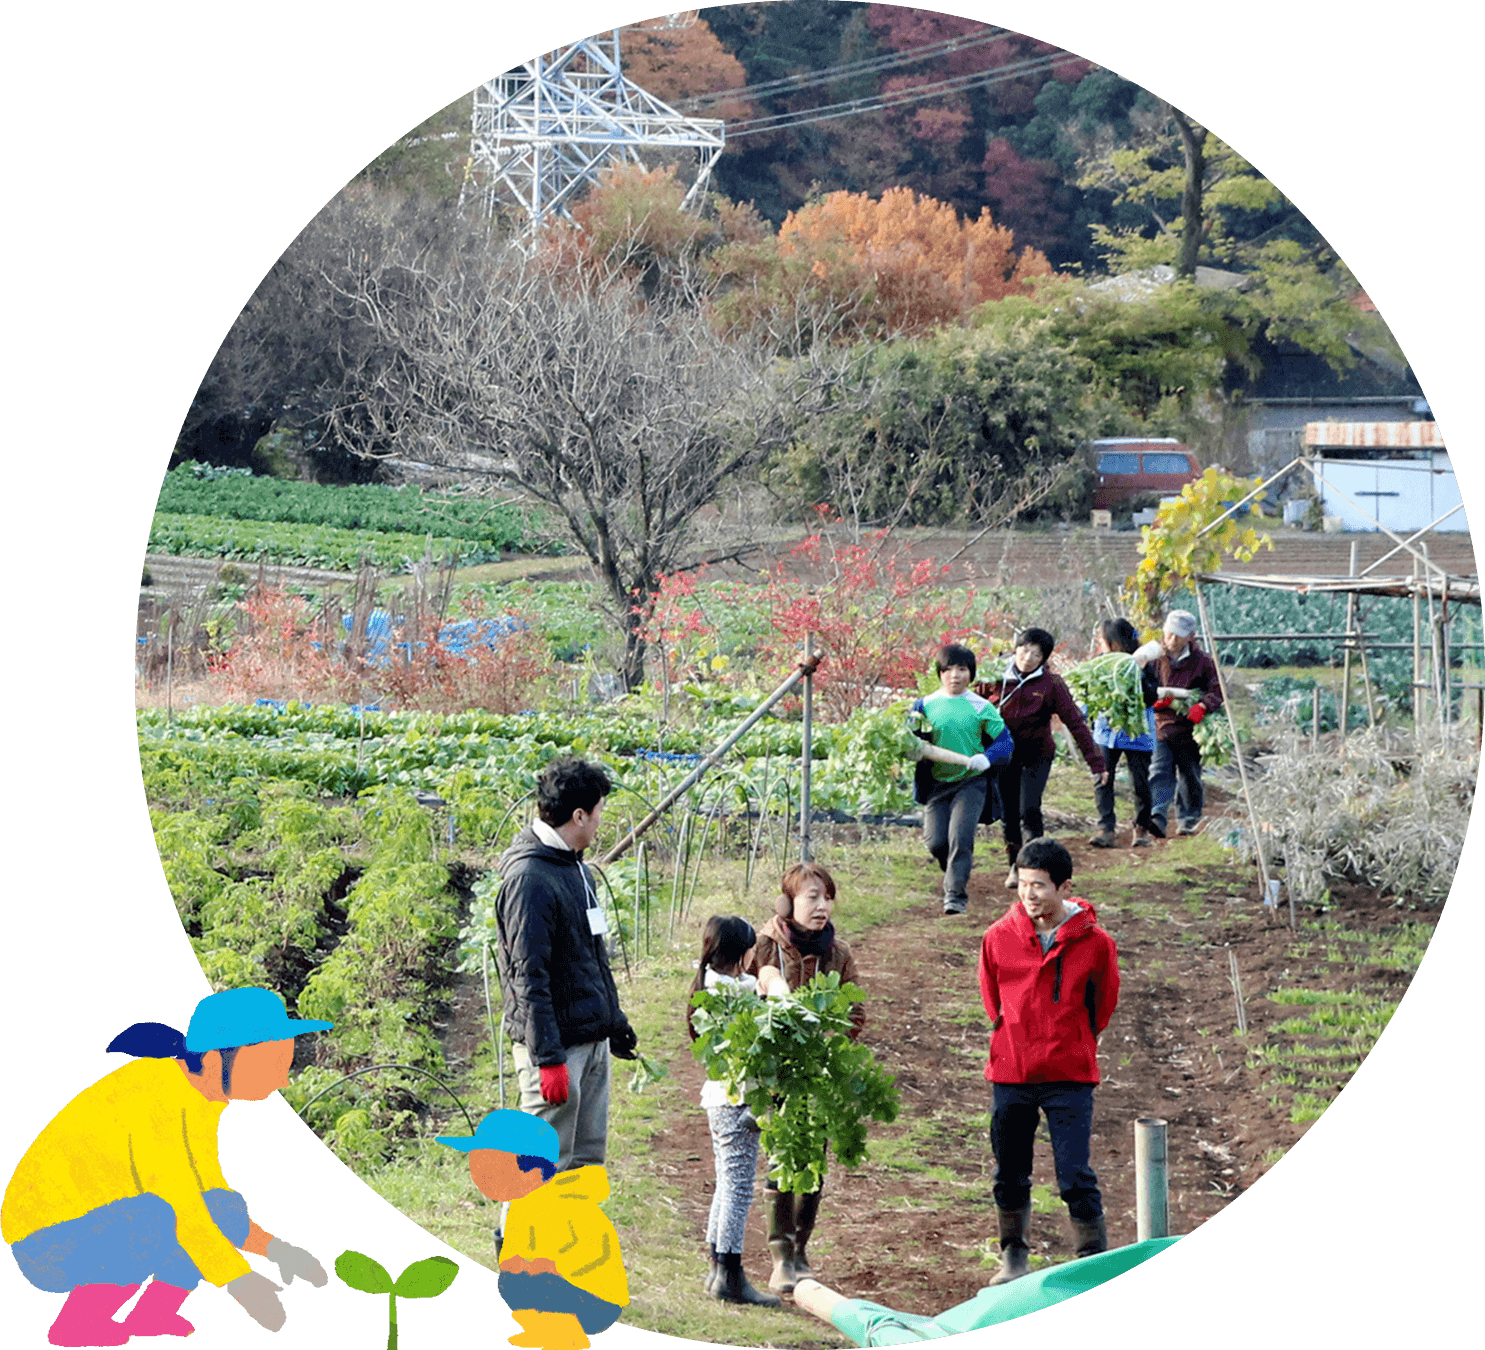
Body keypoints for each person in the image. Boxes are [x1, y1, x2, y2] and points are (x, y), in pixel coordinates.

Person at [3, 987, 333, 1346]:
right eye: (268, 1066)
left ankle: (150, 1315)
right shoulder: (151, 1094)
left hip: (109, 1222)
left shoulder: (203, 1100)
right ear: (212, 1060)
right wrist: (239, 1280)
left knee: (223, 1206)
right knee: (157, 1216)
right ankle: (79, 1322)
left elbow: (209, 1194)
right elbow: (180, 1204)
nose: (282, 1081)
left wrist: (275, 1249)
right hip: (47, 1242)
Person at [977, 837, 1120, 1285]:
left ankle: (1091, 1262)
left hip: (1069, 1075)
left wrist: (1072, 1037)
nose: (1029, 895)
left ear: (1064, 887)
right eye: (1022, 885)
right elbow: (991, 1000)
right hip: (1012, 1071)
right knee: (1009, 1170)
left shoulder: (1096, 944)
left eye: (1039, 885)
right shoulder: (998, 938)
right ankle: (1013, 1257)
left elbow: (1103, 1005)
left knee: (1075, 1173)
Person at [496, 757, 639, 1179]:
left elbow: (592, 954)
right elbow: (527, 977)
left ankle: (569, 1245)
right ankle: (518, 1244)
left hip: (589, 1041)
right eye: (597, 814)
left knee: (585, 1165)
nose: (600, 823)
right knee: (540, 1168)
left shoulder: (576, 867)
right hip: (557, 1050)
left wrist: (613, 1022)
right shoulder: (530, 879)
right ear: (579, 815)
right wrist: (548, 1059)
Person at [744, 863, 863, 1295]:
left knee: (814, 1157)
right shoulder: (763, 947)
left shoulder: (840, 953)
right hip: (775, 1072)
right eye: (811, 897)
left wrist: (827, 1043)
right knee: (783, 1155)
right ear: (788, 902)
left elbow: (856, 1013)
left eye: (827, 897)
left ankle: (800, 1250)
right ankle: (779, 1255)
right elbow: (742, 1003)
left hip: (821, 1070)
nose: (821, 906)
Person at [438, 1110, 627, 1350]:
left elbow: (586, 1260)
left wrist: (541, 1267)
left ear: (534, 1172)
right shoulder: (523, 1205)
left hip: (597, 1300)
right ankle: (547, 1331)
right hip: (567, 1290)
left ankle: (569, 1335)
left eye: (491, 1168)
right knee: (512, 1282)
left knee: (531, 1282)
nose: (478, 1175)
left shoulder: (560, 1206)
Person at [686, 915, 789, 1308]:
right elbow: (768, 1004)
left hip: (720, 1098)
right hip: (736, 1101)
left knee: (726, 1182)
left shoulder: (712, 983)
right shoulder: (730, 994)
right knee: (738, 1187)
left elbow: (751, 985)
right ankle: (729, 1273)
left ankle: (717, 1266)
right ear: (742, 954)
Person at [981, 628, 1108, 889]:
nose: (1028, 658)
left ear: (1044, 659)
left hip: (1036, 754)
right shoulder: (992, 677)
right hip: (1003, 755)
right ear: (1015, 649)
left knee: (1029, 808)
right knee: (1008, 813)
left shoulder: (1051, 684)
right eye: (1024, 650)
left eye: (1036, 654)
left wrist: (1096, 762)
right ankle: (1014, 866)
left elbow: (1076, 723)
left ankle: (1035, 868)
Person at [908, 643, 1014, 916]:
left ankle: (955, 895)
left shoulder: (981, 707)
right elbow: (911, 742)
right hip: (937, 784)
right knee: (936, 842)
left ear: (971, 674)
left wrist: (987, 758)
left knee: (961, 837)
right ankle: (953, 873)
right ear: (940, 673)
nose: (954, 675)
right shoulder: (924, 705)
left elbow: (1005, 742)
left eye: (962, 670)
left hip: (971, 782)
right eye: (948, 670)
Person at [1086, 618, 1164, 849]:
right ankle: (1105, 828)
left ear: (1117, 643)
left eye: (1107, 641)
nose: (1104, 645)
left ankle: (1141, 828)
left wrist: (1137, 674)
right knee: (1102, 778)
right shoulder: (1100, 663)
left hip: (1136, 731)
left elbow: (1152, 696)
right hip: (1107, 731)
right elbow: (1091, 693)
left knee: (1140, 781)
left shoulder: (1143, 663)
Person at [1149, 609, 1224, 837]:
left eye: (1179, 636)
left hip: (1191, 729)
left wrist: (1203, 706)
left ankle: (1188, 819)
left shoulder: (1203, 662)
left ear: (1191, 636)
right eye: (1170, 634)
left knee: (1190, 774)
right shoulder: (1151, 657)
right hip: (1160, 726)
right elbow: (1141, 686)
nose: (1173, 640)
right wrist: (1154, 700)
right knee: (1159, 771)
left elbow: (1217, 690)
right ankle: (1157, 817)